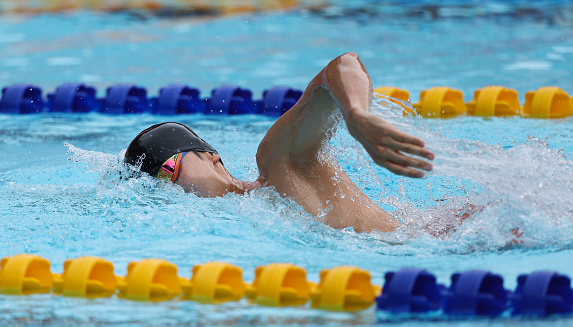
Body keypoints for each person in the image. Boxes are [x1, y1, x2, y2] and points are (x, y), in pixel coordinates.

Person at [124, 52, 434, 233]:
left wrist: (355, 113)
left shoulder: (278, 162)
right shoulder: (243, 227)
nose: (167, 189)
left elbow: (341, 66)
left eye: (167, 171)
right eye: (154, 187)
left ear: (210, 157)